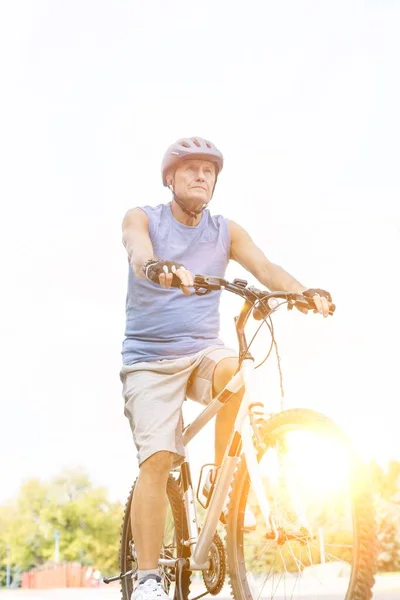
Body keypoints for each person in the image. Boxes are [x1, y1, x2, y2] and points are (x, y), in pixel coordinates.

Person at [120, 137, 333, 600]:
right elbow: (137, 252)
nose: (201, 176)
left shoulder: (225, 230)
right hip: (149, 360)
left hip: (202, 353)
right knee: (158, 459)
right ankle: (150, 579)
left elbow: (266, 268)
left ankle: (221, 476)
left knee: (237, 370)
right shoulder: (143, 218)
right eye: (190, 168)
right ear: (170, 179)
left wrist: (302, 291)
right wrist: (156, 266)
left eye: (208, 171)